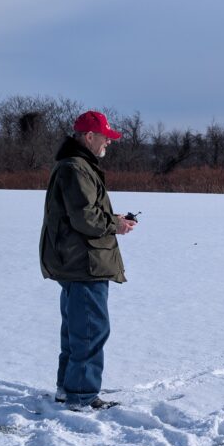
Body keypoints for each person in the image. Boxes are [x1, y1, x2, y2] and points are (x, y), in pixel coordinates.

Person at [39, 110, 136, 410]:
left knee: (76, 329)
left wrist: (112, 217)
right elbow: (85, 218)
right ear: (89, 137)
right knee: (91, 329)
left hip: (76, 261)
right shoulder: (76, 168)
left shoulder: (76, 166)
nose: (109, 142)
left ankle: (68, 390)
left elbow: (84, 212)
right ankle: (81, 396)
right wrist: (114, 225)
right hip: (84, 263)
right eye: (106, 137)